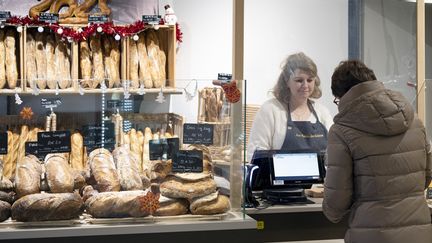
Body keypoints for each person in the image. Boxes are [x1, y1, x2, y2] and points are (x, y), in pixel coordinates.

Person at [323, 60, 432, 243]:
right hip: (419, 233)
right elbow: (426, 176)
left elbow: (336, 204)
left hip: (371, 234)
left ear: (343, 95)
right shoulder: (414, 121)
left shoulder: (341, 130)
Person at [247, 52, 333, 161]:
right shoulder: (271, 110)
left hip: (319, 178)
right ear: (287, 81)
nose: (305, 85)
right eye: (299, 80)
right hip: (279, 178)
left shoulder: (322, 112)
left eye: (310, 80)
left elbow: (334, 153)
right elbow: (256, 154)